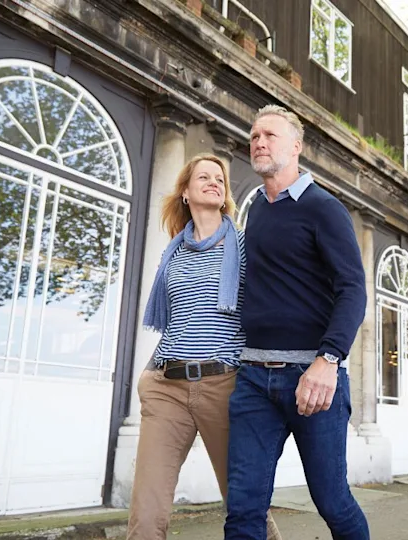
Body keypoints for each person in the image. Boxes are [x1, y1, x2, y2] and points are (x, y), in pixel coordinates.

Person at [223, 105, 369, 540]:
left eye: (269, 134)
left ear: (296, 146)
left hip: (312, 378)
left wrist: (328, 359)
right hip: (252, 380)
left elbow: (352, 290)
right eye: (253, 136)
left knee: (332, 501)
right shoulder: (258, 214)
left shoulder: (324, 209)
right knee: (244, 508)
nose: (259, 141)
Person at [126, 153, 281, 540]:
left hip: (224, 384)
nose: (214, 181)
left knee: (246, 503)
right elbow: (177, 319)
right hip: (167, 386)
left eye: (220, 178)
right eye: (204, 177)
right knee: (146, 514)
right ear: (185, 192)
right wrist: (148, 375)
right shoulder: (172, 254)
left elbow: (269, 306)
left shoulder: (245, 246)